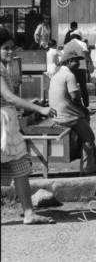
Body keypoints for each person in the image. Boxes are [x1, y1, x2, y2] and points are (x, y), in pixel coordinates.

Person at [1, 27, 56, 224]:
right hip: (3, 122)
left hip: (8, 122)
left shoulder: (4, 67)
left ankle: (29, 212)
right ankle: (29, 212)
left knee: (20, 167)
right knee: (20, 166)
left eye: (11, 48)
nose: (10, 52)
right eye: (5, 48)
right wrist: (39, 109)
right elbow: (8, 97)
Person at [49, 47, 96, 174]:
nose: (78, 64)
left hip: (57, 116)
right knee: (89, 138)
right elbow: (75, 97)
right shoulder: (69, 76)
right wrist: (84, 110)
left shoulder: (57, 75)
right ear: (68, 61)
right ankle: (87, 170)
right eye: (75, 61)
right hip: (69, 117)